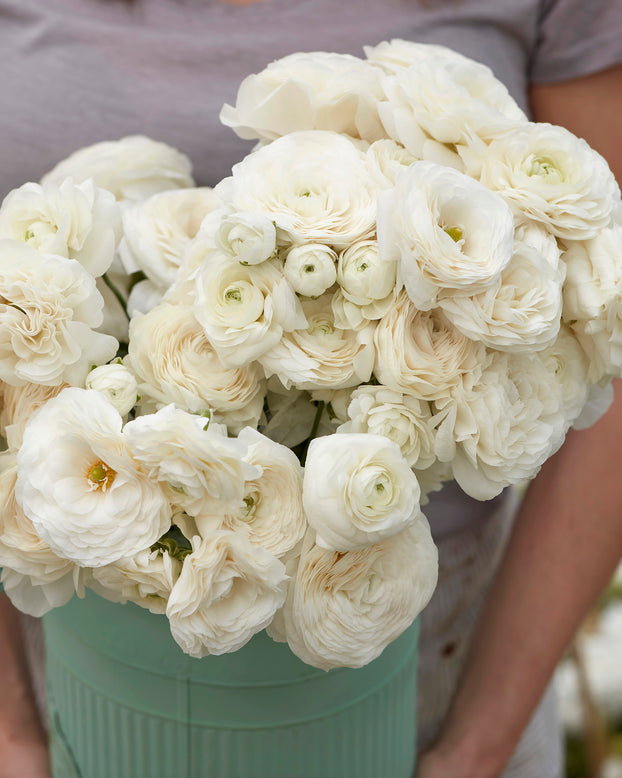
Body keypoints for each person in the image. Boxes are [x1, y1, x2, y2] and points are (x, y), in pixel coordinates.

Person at [0, 1, 621, 776]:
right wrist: (11, 730)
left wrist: (477, 746)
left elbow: (609, 326)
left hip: (458, 663)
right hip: (57, 668)